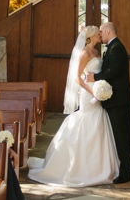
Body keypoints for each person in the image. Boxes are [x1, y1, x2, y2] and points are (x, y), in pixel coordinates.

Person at [28, 25, 120, 187]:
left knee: (98, 120)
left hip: (97, 92)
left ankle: (99, 166)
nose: (100, 36)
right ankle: (76, 166)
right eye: (98, 34)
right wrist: (91, 91)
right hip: (87, 93)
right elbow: (77, 78)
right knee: (85, 121)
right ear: (91, 37)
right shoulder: (84, 53)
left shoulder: (97, 53)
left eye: (100, 34)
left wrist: (99, 88)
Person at [86, 21, 130, 183]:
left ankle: (126, 174)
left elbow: (113, 71)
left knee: (122, 138)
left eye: (101, 31)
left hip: (120, 101)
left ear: (108, 31)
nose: (100, 34)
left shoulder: (117, 48)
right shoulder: (113, 47)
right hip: (116, 101)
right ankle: (125, 170)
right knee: (119, 138)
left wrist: (95, 78)